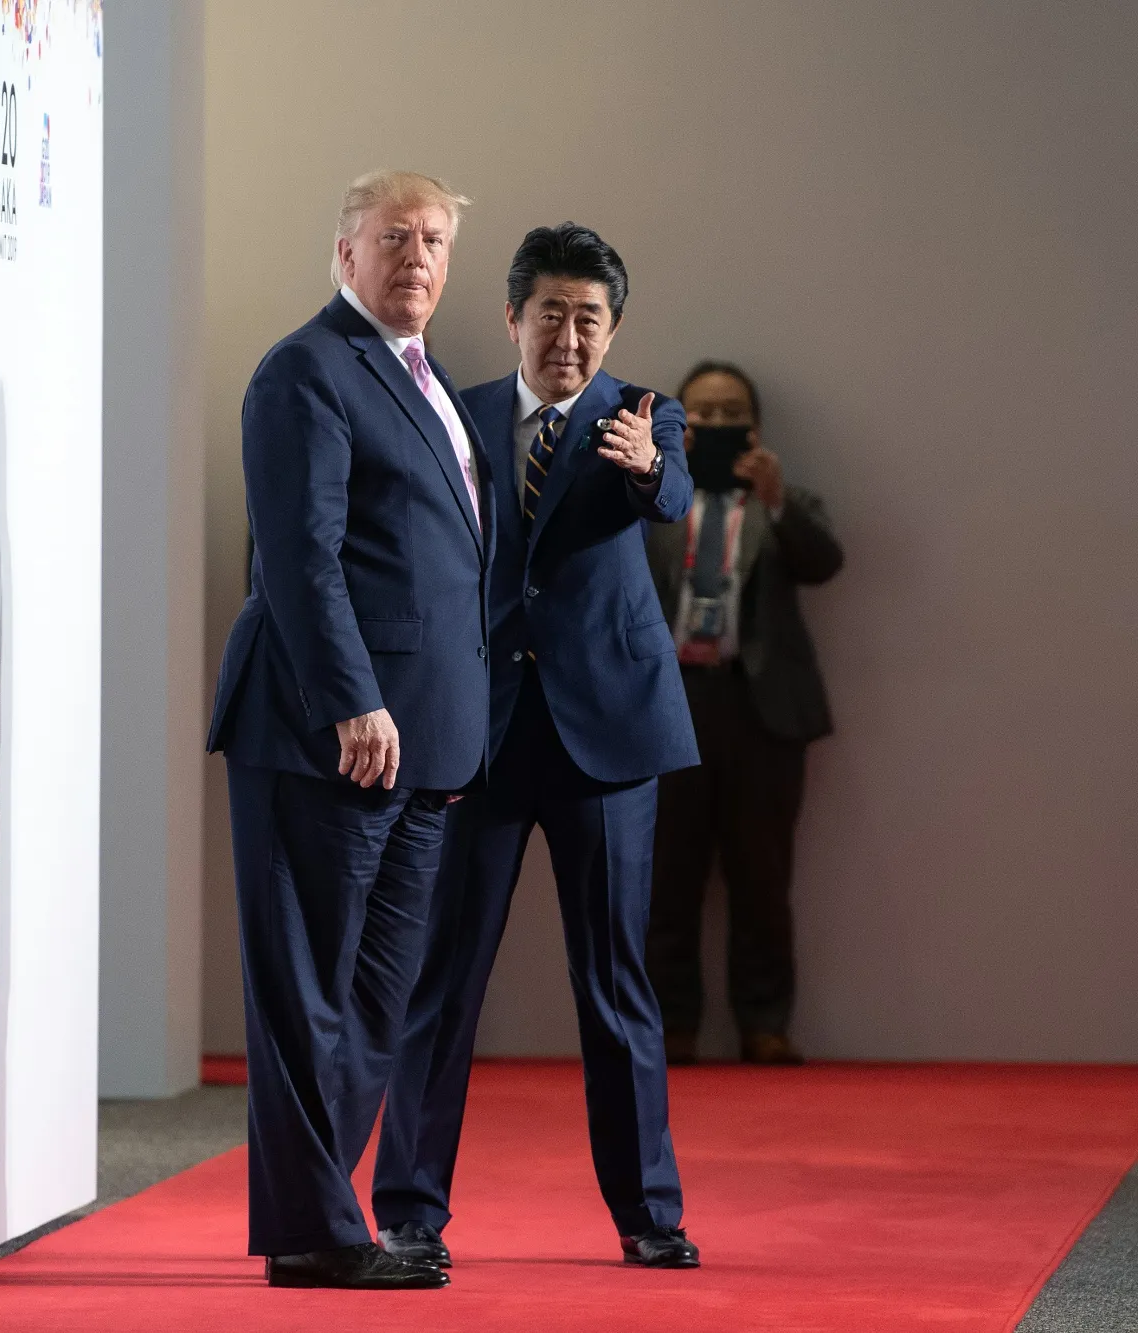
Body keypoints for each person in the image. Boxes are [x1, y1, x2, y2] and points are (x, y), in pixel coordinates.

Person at [374, 223, 703, 1272]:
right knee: (440, 982)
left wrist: (652, 468)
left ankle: (649, 1215)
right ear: (512, 316)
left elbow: (671, 496)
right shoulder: (452, 415)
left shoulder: (644, 416)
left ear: (611, 330)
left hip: (605, 736)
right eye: (550, 314)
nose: (568, 336)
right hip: (475, 736)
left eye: (589, 319)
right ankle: (407, 1215)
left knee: (614, 984)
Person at [205, 170, 491, 1291]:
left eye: (431, 241)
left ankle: (324, 1217)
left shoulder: (430, 385)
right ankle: (314, 1231)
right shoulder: (305, 371)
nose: (414, 258)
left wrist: (454, 723)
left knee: (376, 999)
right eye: (391, 238)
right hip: (323, 732)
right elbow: (297, 556)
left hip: (426, 745)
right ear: (343, 254)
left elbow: (444, 569)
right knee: (305, 991)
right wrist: (350, 699)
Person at [644, 361, 843, 1066]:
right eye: (703, 414)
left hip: (762, 712)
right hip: (670, 707)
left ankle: (765, 1023)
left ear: (755, 426)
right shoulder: (653, 504)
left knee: (763, 877)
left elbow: (825, 562)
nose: (719, 425)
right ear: (680, 423)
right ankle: (670, 1028)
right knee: (666, 875)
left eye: (733, 414)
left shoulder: (783, 502)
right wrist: (661, 472)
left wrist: (777, 499)